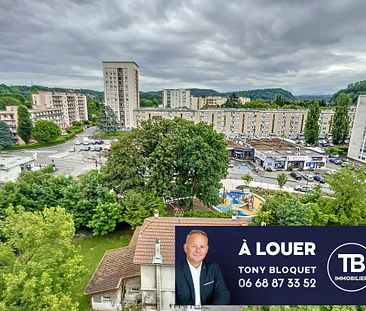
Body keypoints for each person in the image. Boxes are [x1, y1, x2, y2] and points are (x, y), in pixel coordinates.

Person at [175, 229, 230, 306]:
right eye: (193, 246)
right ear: (185, 248)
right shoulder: (174, 271)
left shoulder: (213, 268)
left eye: (202, 247)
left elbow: (223, 294)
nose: (198, 251)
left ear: (207, 249)